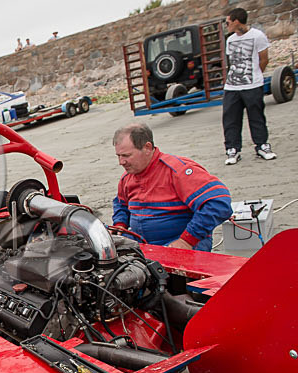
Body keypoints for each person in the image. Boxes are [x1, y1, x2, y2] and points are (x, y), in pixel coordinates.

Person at [112, 123, 233, 252]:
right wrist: (120, 225)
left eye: (126, 156)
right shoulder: (128, 177)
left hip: (181, 244)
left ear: (147, 147)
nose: (121, 162)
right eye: (118, 156)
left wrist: (187, 240)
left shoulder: (178, 171)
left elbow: (219, 202)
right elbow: (121, 203)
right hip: (144, 245)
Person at [222, 7, 276, 165]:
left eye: (228, 22)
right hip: (232, 87)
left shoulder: (258, 36)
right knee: (230, 118)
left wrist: (256, 75)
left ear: (236, 21)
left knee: (256, 117)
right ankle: (233, 149)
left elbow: (264, 59)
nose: (227, 25)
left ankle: (262, 146)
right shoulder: (230, 40)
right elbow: (231, 62)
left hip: (252, 85)